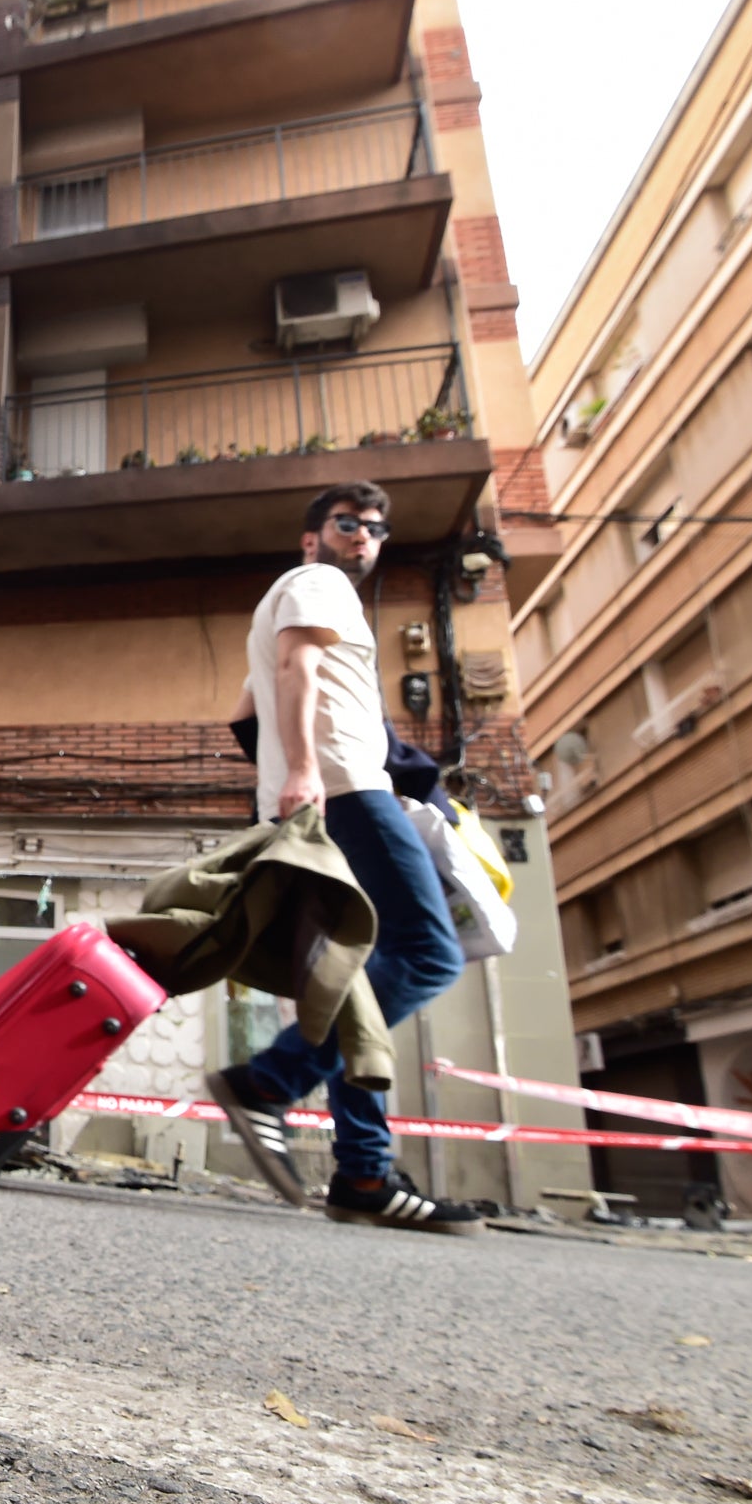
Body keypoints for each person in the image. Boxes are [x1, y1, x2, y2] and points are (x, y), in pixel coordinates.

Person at [209, 482, 482, 1235]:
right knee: (429, 954)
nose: (362, 535)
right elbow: (298, 668)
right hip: (348, 793)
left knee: (357, 982)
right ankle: (268, 1081)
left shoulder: (291, 597)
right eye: (346, 523)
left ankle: (364, 1171)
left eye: (374, 528)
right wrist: (306, 769)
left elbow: (243, 709)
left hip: (317, 796)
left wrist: (281, 775)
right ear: (312, 538)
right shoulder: (317, 583)